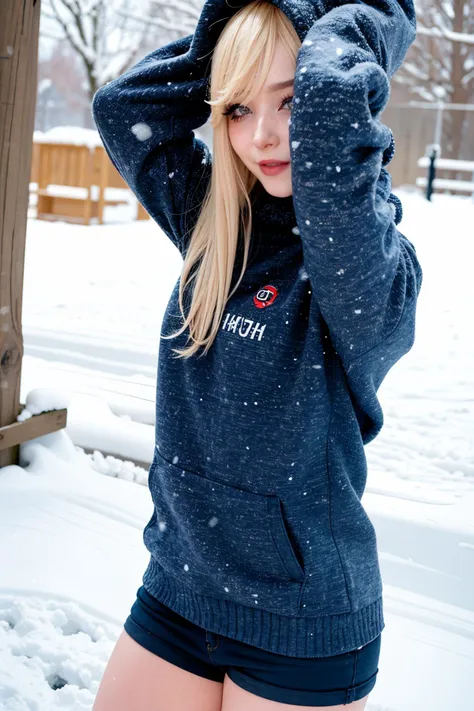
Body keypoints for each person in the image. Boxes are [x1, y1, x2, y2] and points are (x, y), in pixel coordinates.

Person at [91, 0, 422, 708]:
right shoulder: (215, 222)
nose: (264, 135)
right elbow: (124, 110)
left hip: (301, 628)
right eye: (238, 108)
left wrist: (354, 23)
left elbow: (335, 129)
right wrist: (239, 27)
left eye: (291, 99)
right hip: (181, 585)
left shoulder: (366, 265)